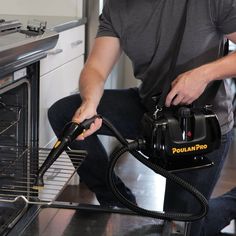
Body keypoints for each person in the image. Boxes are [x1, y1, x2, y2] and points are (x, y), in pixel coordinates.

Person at [48, 0, 236, 235]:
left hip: (202, 125)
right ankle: (117, 199)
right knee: (65, 114)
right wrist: (90, 104)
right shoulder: (117, 7)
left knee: (179, 228)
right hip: (152, 110)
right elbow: (95, 67)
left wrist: (204, 74)